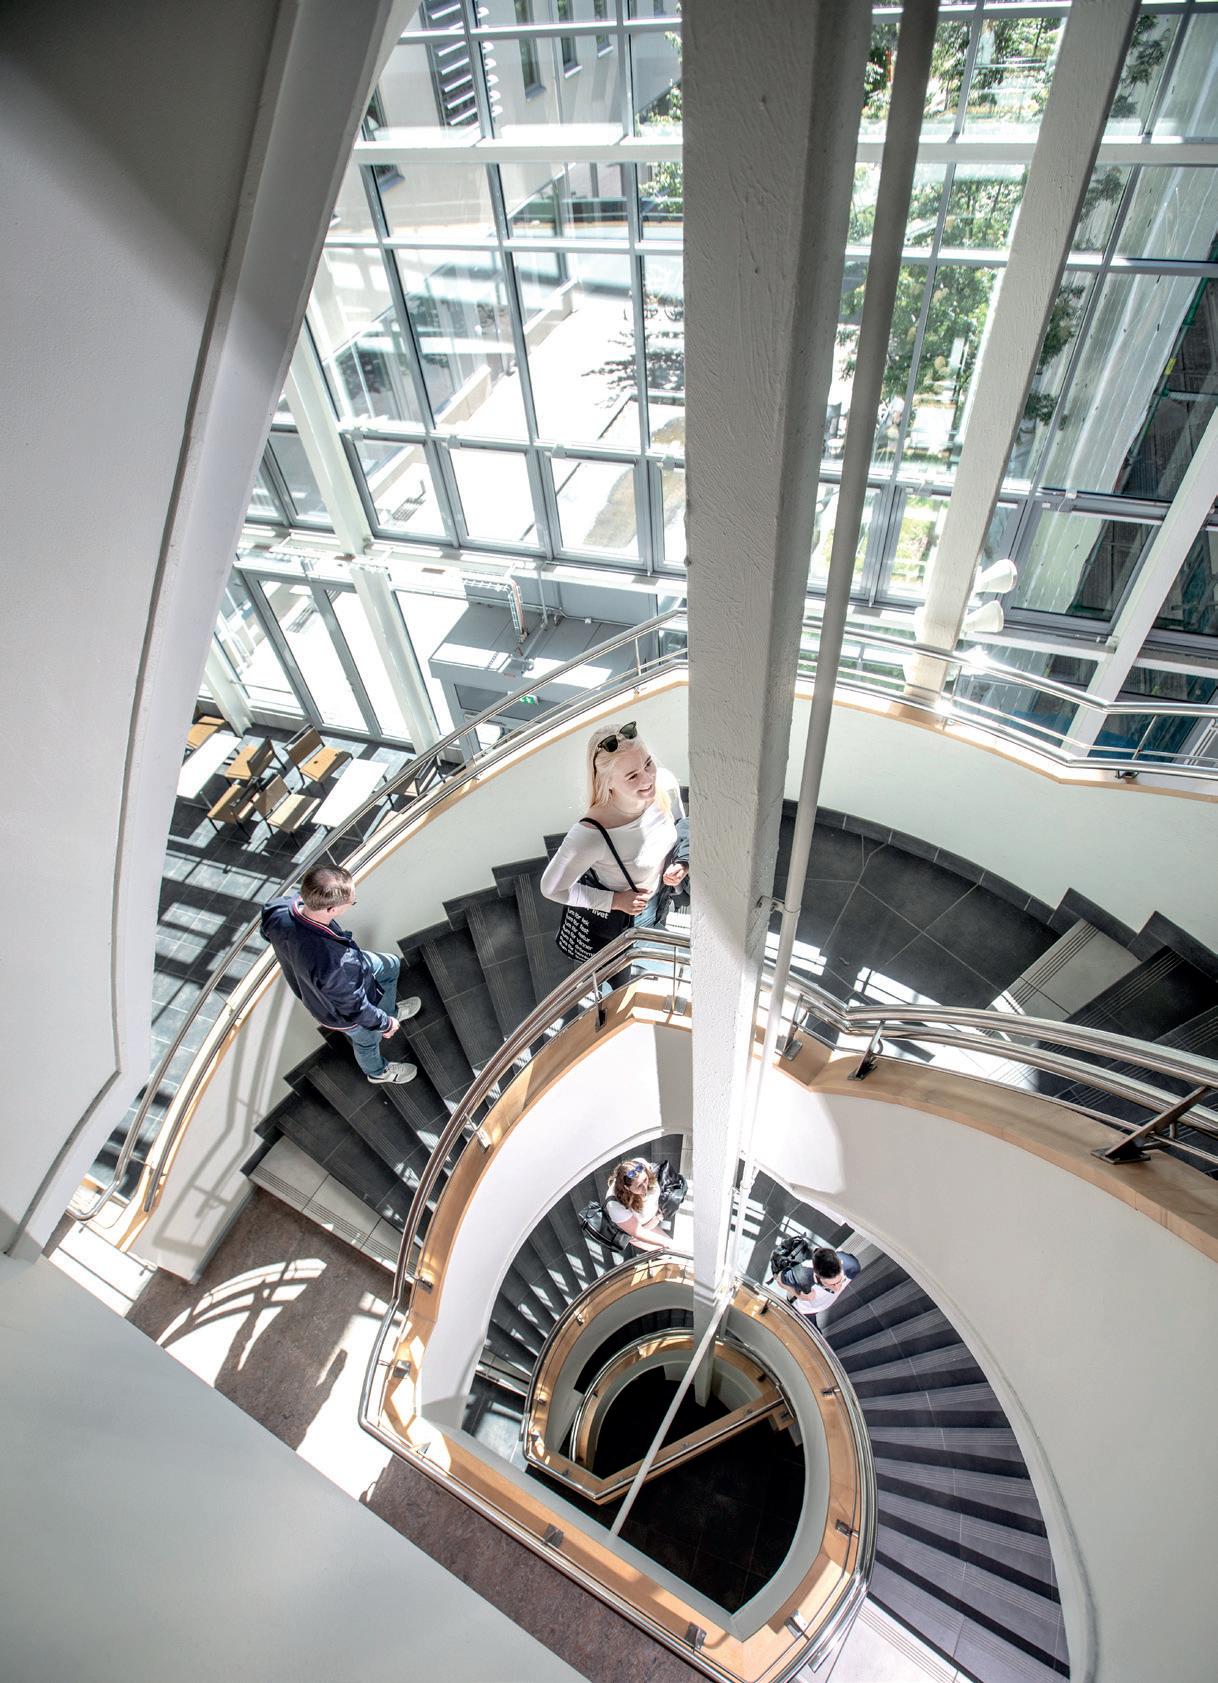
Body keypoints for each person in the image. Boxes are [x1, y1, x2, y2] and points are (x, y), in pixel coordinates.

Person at [261, 865, 422, 1085]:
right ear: (331, 909)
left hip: (348, 970)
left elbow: (267, 932)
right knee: (368, 1039)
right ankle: (377, 1072)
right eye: (351, 902)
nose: (352, 903)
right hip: (339, 1007)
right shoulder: (334, 963)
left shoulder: (278, 909)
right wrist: (384, 1024)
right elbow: (355, 1008)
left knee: (391, 965)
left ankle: (389, 1010)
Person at [540, 720, 688, 946]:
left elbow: (680, 826)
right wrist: (616, 901)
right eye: (632, 776)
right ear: (607, 782)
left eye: (648, 764)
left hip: (663, 895)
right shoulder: (591, 835)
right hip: (630, 915)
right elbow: (552, 888)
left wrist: (681, 863)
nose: (648, 779)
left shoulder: (665, 784)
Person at [604, 1158, 671, 1253]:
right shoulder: (615, 1206)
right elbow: (638, 1232)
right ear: (627, 1188)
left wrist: (658, 1217)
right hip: (642, 1229)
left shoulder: (641, 1163)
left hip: (654, 1218)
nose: (645, 1187)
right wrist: (666, 1243)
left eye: (645, 1180)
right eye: (639, 1186)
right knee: (670, 1250)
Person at [781, 1246, 860, 1320]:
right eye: (829, 1285)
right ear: (816, 1276)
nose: (837, 1288)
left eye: (840, 1281)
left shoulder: (852, 1267)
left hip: (819, 1305)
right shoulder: (804, 1274)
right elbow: (779, 1279)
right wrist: (800, 1296)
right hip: (803, 1309)